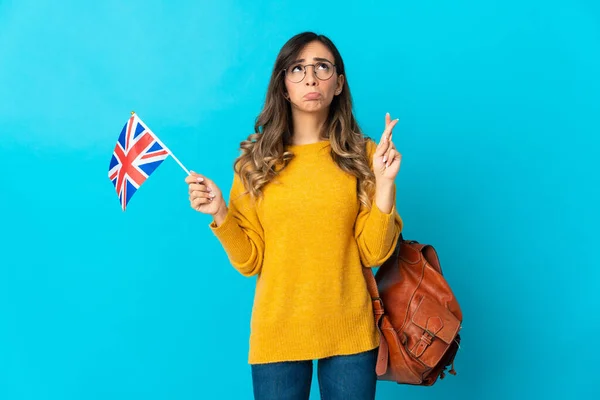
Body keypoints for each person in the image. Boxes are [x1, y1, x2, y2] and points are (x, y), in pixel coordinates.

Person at [185, 31, 403, 400]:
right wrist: (221, 213)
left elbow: (373, 254)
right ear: (283, 86)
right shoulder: (254, 163)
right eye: (297, 69)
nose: (311, 78)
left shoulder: (364, 155)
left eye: (322, 67)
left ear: (338, 83)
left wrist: (384, 183)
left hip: (349, 329)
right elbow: (250, 261)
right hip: (278, 331)